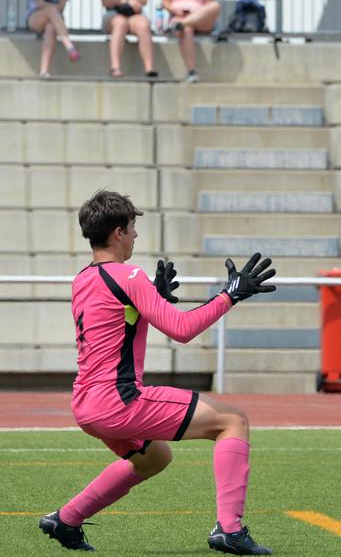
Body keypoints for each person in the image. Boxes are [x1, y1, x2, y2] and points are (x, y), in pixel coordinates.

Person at [38, 190, 275, 555]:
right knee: (233, 421)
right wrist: (231, 294)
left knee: (155, 458)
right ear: (118, 232)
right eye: (133, 228)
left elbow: (119, 321)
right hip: (119, 402)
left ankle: (66, 519)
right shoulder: (130, 275)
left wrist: (155, 297)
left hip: (86, 405)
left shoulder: (83, 278)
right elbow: (181, 330)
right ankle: (229, 530)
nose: (136, 236)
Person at [161, 0, 221, 83]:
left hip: (199, 18)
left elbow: (209, 3)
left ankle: (181, 25)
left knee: (215, 6)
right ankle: (191, 72)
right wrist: (176, 11)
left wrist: (195, 13)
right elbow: (165, 2)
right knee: (187, 30)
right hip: (178, 16)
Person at [99, 0, 157, 78]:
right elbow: (107, 2)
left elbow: (144, 0)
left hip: (134, 14)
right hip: (113, 14)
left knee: (143, 25)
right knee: (120, 23)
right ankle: (115, 67)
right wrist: (127, 0)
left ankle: (149, 69)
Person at [25, 0, 80, 79]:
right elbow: (37, 4)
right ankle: (70, 47)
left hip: (54, 19)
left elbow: (61, 6)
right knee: (52, 10)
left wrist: (46, 4)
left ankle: (44, 71)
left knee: (50, 27)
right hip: (35, 17)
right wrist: (50, 6)